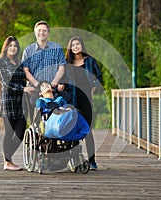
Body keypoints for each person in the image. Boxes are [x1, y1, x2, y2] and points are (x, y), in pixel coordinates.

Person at [0, 36, 35, 171]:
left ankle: (7, 159)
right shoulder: (1, 62)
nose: (13, 48)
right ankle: (8, 161)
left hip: (20, 103)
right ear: (6, 47)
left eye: (15, 46)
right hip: (8, 102)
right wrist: (23, 88)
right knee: (9, 132)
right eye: (10, 45)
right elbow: (6, 82)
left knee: (21, 132)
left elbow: (25, 79)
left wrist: (31, 87)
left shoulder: (19, 62)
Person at [64, 36, 103, 170]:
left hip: (86, 99)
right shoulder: (67, 63)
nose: (75, 47)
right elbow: (63, 80)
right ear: (70, 47)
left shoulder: (90, 61)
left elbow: (98, 78)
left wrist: (92, 91)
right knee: (73, 129)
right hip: (72, 99)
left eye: (78, 44)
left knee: (87, 130)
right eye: (73, 44)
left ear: (82, 46)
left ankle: (92, 160)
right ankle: (75, 159)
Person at [22, 20, 66, 91]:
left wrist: (55, 81)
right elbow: (25, 70)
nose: (41, 33)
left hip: (53, 89)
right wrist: (37, 84)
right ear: (35, 33)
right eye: (39, 30)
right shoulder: (28, 50)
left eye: (44, 31)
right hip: (34, 89)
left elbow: (62, 67)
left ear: (48, 33)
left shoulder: (57, 48)